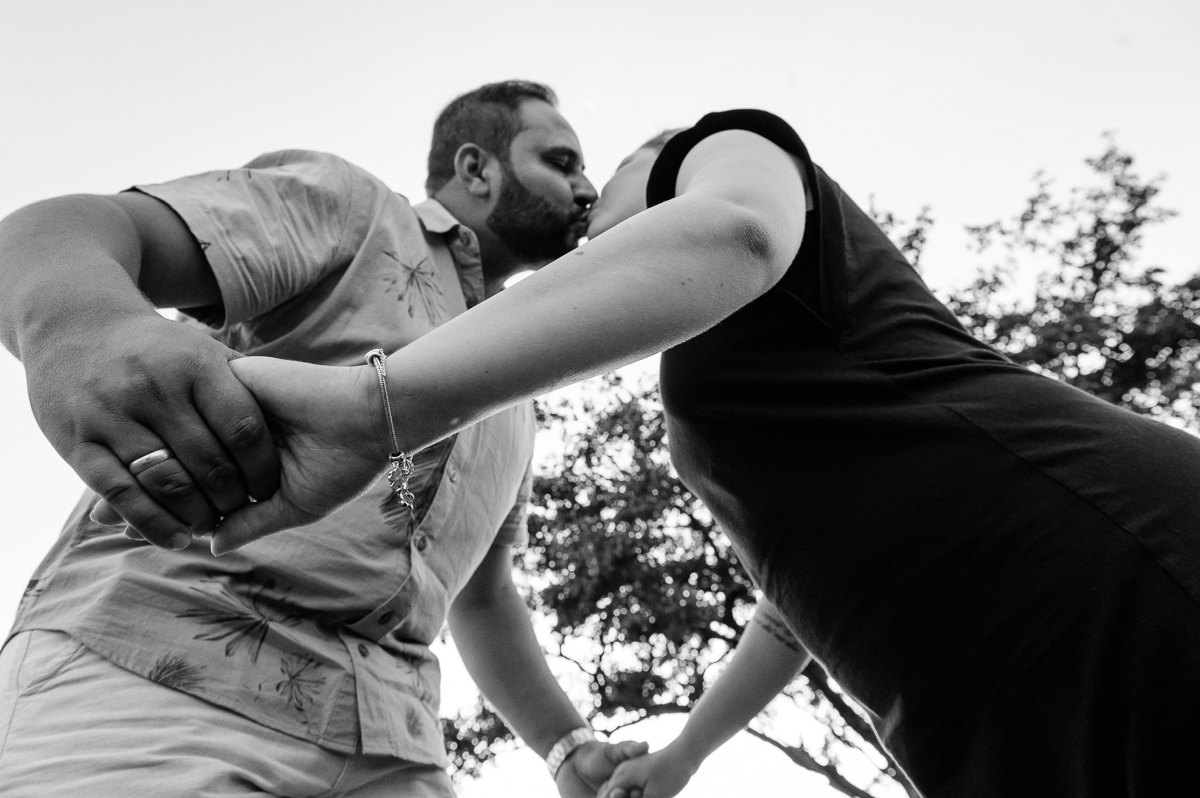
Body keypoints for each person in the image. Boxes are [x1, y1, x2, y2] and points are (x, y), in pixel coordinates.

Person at [213, 109, 1200, 797]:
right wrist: (687, 752)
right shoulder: (718, 380)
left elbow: (731, 232)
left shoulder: (729, 152)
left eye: (601, 198)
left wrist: (375, 404)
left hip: (1109, 573)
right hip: (983, 725)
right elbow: (802, 594)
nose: (587, 214)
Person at [0, 80, 648, 797]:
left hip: (396, 754)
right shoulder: (355, 212)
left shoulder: (519, 385)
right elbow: (56, 230)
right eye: (562, 161)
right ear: (476, 169)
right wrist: (76, 327)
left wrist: (567, 746)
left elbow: (484, 595)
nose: (586, 187)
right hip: (156, 692)